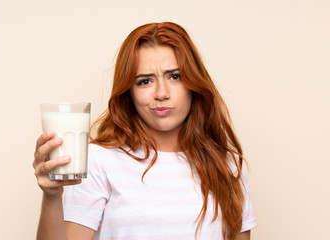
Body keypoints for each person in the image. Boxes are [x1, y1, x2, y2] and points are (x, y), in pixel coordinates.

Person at [33, 22, 257, 240]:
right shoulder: (98, 161)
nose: (161, 93)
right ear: (128, 92)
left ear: (194, 84)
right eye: (145, 81)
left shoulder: (226, 165)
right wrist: (52, 197)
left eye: (175, 76)